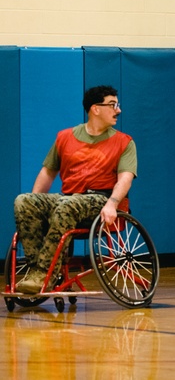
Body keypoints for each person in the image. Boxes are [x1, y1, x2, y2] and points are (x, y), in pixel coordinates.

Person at [13, 85, 137, 294]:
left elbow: (125, 179)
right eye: (113, 105)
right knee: (24, 201)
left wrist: (112, 204)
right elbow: (47, 173)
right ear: (95, 109)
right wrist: (36, 204)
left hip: (101, 200)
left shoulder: (124, 142)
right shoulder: (65, 137)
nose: (118, 110)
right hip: (68, 199)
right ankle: (37, 269)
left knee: (67, 204)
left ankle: (45, 274)